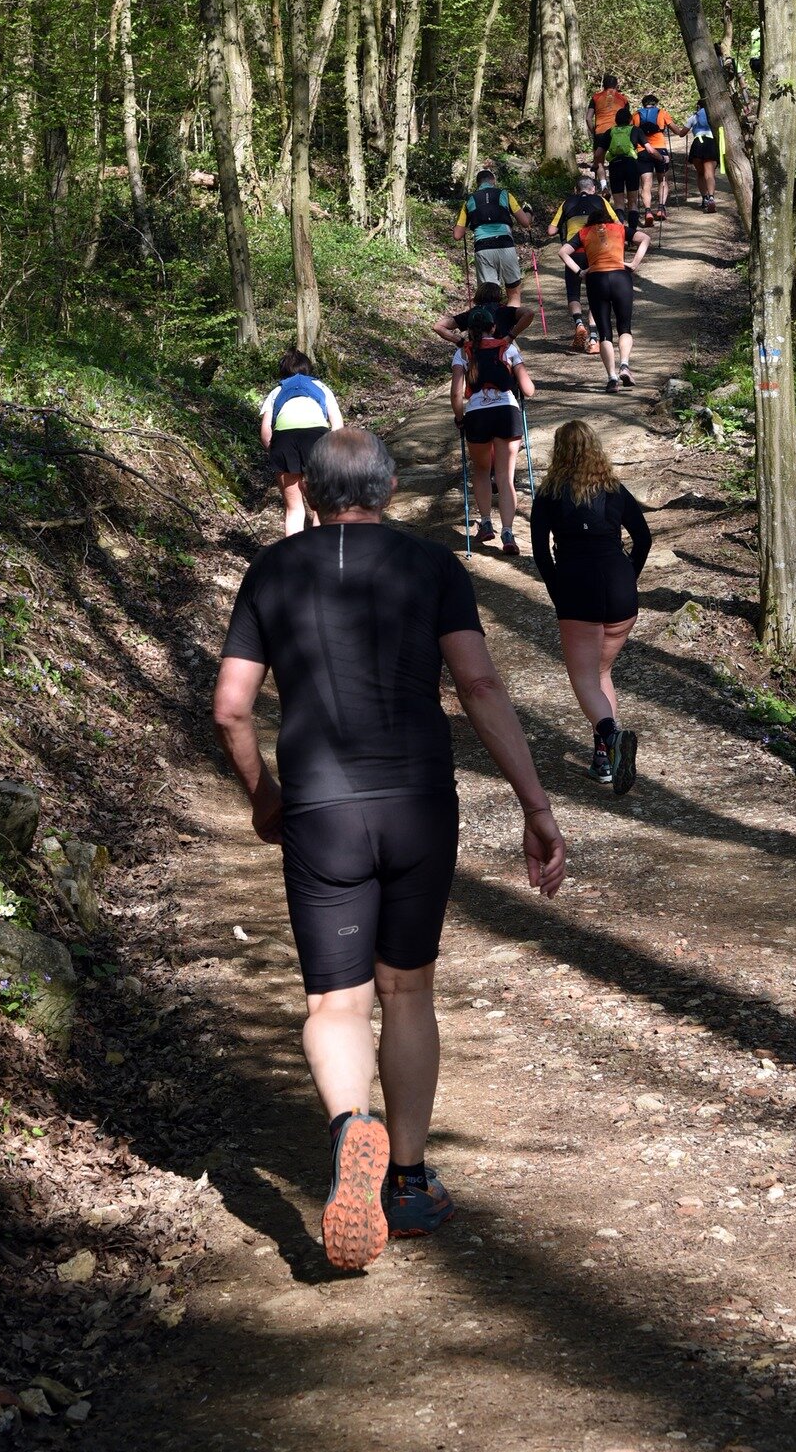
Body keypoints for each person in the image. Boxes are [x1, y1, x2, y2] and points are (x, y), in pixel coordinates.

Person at [213, 428, 567, 1273]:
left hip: (321, 810)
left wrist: (264, 796)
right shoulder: (431, 568)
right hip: (415, 801)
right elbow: (478, 684)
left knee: (335, 1003)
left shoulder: (271, 570)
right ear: (391, 487)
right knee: (406, 989)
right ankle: (405, 1184)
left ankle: (350, 1129)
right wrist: (534, 802)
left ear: (306, 484)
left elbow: (230, 707)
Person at [531, 421, 650, 793]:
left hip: (577, 587)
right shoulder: (614, 489)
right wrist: (630, 577)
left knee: (584, 679)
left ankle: (611, 737)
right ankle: (604, 761)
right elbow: (643, 538)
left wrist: (556, 589)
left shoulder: (549, 494)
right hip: (619, 589)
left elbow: (539, 552)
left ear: (559, 451)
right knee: (601, 675)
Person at [451, 305, 535, 556]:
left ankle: (486, 521)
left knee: (481, 469)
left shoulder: (463, 353)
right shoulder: (507, 347)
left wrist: (459, 418)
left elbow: (456, 393)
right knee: (505, 476)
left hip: (477, 415)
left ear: (470, 330)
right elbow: (528, 389)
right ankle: (508, 531)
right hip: (506, 413)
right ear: (493, 327)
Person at [560, 198, 649, 394]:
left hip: (596, 279)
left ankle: (611, 378)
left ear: (590, 220)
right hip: (620, 278)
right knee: (625, 327)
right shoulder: (619, 228)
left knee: (604, 332)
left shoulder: (583, 232)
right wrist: (634, 263)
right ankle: (624, 365)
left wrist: (579, 272)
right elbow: (645, 238)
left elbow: (563, 252)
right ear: (608, 217)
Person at [260, 349, 344, 536]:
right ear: (308, 369)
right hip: (317, 437)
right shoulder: (321, 387)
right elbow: (337, 425)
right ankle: (320, 554)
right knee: (321, 506)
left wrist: (274, 453)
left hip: (284, 440)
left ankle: (295, 560)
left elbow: (266, 432)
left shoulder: (276, 391)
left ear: (282, 371)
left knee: (294, 509)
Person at [547, 168, 618, 353]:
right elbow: (617, 224)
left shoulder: (567, 203)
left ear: (575, 190)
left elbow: (551, 231)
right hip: (595, 250)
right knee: (596, 295)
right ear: (593, 189)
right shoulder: (600, 200)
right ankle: (594, 340)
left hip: (573, 251)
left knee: (573, 293)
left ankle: (579, 324)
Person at [453, 167, 533, 305]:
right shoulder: (505, 195)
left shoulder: (469, 201)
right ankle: (509, 325)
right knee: (513, 292)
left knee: (489, 296)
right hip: (505, 245)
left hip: (483, 248)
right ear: (493, 181)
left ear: (478, 183)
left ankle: (492, 324)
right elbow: (525, 223)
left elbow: (457, 235)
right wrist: (529, 212)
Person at [431, 278, 533, 349]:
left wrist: (461, 341)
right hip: (503, 350)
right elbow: (529, 314)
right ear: (499, 296)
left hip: (477, 354)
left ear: (478, 296)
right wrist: (511, 336)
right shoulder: (506, 310)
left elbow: (438, 327)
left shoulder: (471, 314)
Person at [635, 91, 687, 224]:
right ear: (655, 104)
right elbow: (677, 131)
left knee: (646, 183)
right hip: (660, 150)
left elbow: (632, 132)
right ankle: (661, 209)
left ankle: (647, 211)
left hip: (642, 150)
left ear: (643, 105)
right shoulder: (662, 113)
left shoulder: (635, 115)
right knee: (663, 180)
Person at [606, 105, 646, 248]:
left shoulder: (609, 132)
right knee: (633, 202)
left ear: (616, 121)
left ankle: (620, 236)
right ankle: (632, 236)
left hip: (615, 165)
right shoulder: (635, 130)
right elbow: (649, 149)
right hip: (631, 165)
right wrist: (661, 158)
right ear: (630, 120)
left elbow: (599, 153)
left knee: (619, 204)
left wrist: (596, 165)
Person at [587, 73, 630, 187]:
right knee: (618, 159)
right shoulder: (623, 99)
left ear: (603, 86)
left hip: (600, 131)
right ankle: (619, 184)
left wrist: (594, 132)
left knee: (599, 161)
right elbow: (628, 119)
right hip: (618, 132)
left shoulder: (595, 97)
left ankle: (603, 186)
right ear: (616, 85)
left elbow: (588, 118)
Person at [688, 98, 720, 210]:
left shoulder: (693, 117)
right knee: (710, 173)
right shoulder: (714, 116)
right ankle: (711, 198)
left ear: (698, 106)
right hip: (710, 143)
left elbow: (682, 133)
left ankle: (704, 199)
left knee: (700, 174)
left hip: (697, 144)